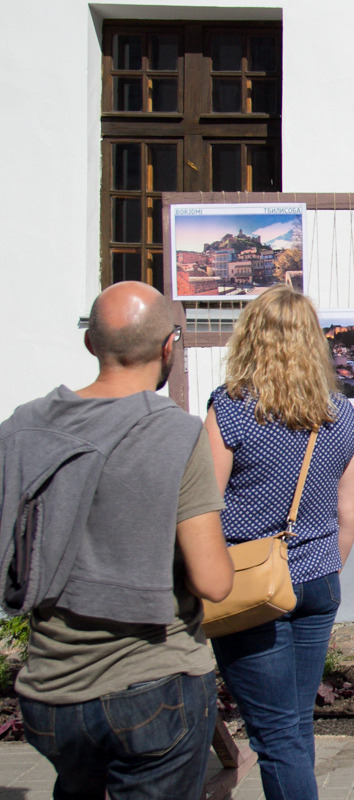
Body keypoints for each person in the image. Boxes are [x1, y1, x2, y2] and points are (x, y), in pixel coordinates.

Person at [0, 281, 233, 799]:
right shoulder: (176, 433)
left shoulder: (21, 428)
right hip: (152, 685)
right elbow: (213, 581)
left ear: (91, 344)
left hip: (50, 694)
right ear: (169, 346)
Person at [203, 285, 354, 800]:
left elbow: (203, 503)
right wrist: (321, 566)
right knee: (294, 728)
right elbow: (350, 509)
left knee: (275, 736)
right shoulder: (343, 415)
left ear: (250, 338)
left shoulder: (230, 409)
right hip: (318, 579)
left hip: (249, 583)